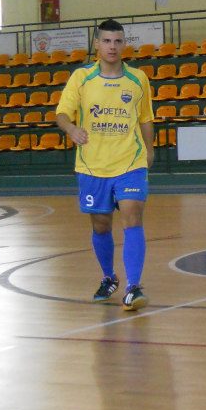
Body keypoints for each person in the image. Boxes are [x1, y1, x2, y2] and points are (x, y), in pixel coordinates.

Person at [55, 19, 155, 311]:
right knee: (101, 225)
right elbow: (62, 114)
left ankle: (133, 287)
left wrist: (149, 150)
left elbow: (146, 118)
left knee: (133, 218)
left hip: (130, 161)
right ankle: (109, 277)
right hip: (92, 165)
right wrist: (71, 129)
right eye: (107, 41)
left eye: (118, 41)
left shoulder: (138, 79)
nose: (112, 47)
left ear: (124, 44)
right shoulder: (81, 78)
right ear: (97, 44)